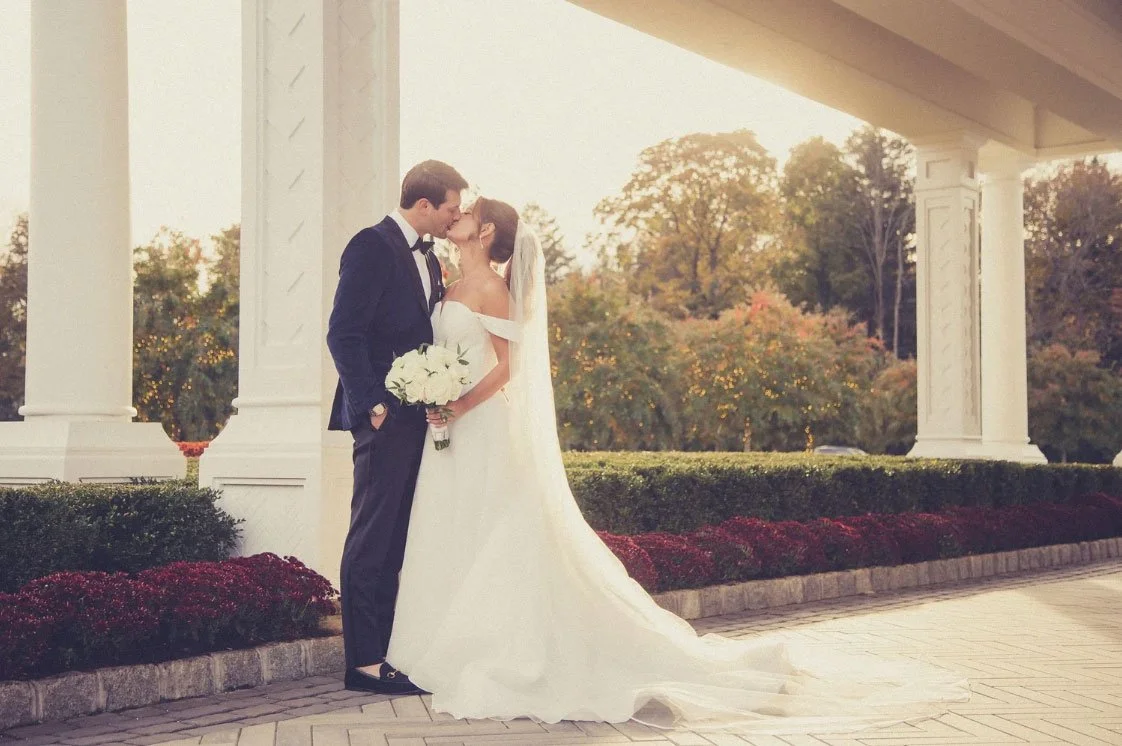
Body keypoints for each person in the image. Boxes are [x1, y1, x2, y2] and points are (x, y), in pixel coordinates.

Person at [385, 196, 970, 734]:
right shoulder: (450, 281)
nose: (454, 218)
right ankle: (443, 641)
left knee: (497, 530)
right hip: (450, 428)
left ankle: (497, 647)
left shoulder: (490, 288)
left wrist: (459, 401)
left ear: (485, 231)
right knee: (457, 526)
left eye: (467, 214)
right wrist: (432, 390)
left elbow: (510, 368)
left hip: (481, 424)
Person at [326, 159, 467, 695]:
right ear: (425, 204)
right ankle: (362, 663)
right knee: (371, 537)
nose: (456, 216)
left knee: (397, 540)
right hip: (385, 419)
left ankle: (386, 653)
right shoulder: (371, 245)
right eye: (451, 206)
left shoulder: (432, 260)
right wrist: (372, 407)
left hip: (419, 417)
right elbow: (344, 334)